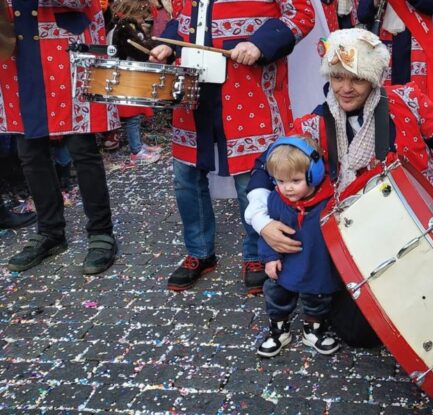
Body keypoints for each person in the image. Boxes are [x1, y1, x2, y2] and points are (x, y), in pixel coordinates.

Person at [244, 28, 433, 347]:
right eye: (337, 77)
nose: (345, 88)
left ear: (374, 77)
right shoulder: (314, 124)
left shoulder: (407, 101)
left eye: (355, 78)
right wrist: (262, 222)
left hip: (421, 219)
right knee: (357, 333)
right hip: (364, 234)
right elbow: (263, 167)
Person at [148, 0, 315, 294]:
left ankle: (258, 253)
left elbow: (302, 14)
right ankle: (199, 252)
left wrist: (260, 44)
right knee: (186, 177)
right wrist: (170, 45)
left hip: (247, 86)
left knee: (250, 179)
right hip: (193, 89)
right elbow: (183, 16)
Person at [0, 0, 121, 274]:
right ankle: (50, 233)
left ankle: (101, 234)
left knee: (82, 149)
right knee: (30, 152)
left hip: (67, 52)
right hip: (19, 55)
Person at [256, 136, 341, 357]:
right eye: (281, 181)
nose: (288, 188)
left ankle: (313, 329)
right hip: (286, 263)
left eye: (295, 181)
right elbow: (268, 233)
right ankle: (279, 329)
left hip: (317, 262)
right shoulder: (277, 200)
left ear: (314, 174)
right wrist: (270, 257)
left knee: (317, 298)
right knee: (277, 295)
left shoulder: (329, 200)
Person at [358, 0, 433, 107]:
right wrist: (375, 2)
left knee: (419, 101)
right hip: (384, 45)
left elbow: (432, 5)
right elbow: (363, 14)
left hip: (417, 39)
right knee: (385, 103)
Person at [107, 0, 161, 164]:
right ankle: (136, 150)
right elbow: (139, 51)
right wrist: (153, 49)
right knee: (132, 116)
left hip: (126, 74)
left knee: (135, 116)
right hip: (124, 76)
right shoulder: (124, 29)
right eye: (142, 16)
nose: (143, 20)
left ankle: (138, 146)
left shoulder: (122, 26)